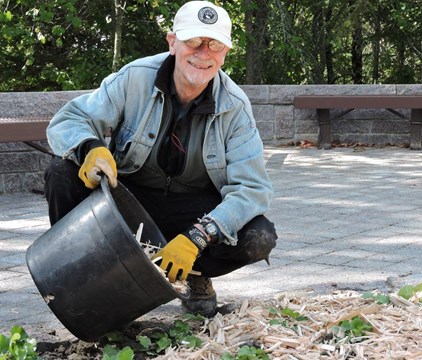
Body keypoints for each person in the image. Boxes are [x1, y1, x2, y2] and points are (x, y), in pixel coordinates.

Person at [44, 0, 277, 317]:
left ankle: (195, 274)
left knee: (258, 237)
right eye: (193, 41)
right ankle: (84, 277)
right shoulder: (134, 78)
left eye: (215, 45)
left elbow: (252, 189)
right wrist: (91, 148)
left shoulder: (235, 107)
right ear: (172, 42)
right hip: (128, 201)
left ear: (225, 53)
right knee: (61, 172)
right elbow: (68, 121)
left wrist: (197, 237)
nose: (203, 53)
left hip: (191, 210)